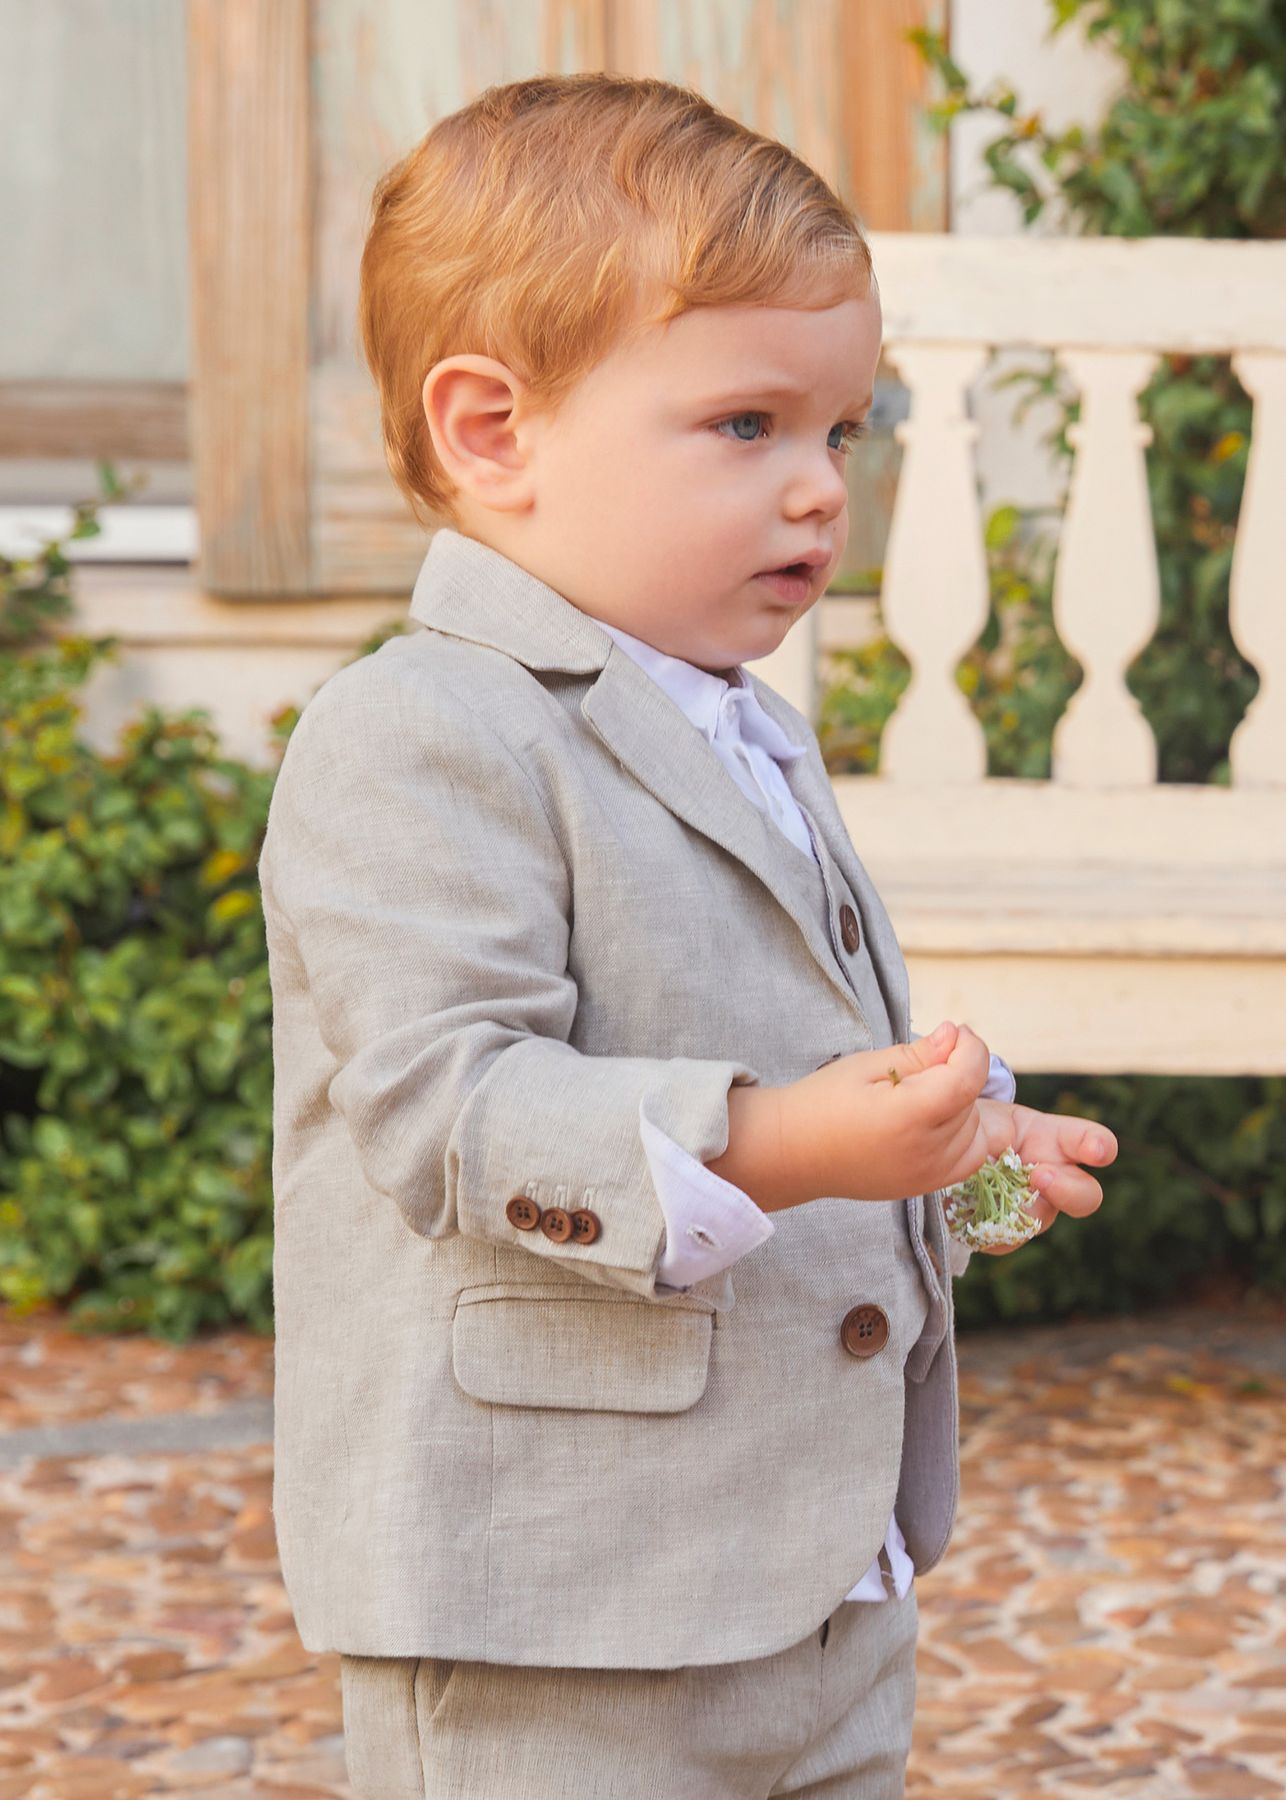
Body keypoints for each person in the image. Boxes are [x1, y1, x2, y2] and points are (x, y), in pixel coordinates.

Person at [258, 70, 1119, 1798]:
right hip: (553, 1607)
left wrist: (949, 1158)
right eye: (746, 426)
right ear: (491, 432)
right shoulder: (421, 731)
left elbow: (793, 1075)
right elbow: (451, 1107)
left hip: (809, 1588)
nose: (818, 491)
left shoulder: (742, 725)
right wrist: (796, 1139)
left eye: (842, 432)